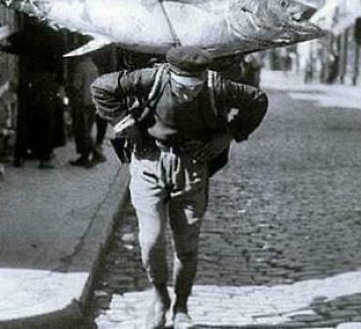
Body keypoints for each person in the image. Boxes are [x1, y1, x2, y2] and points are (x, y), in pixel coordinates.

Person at [91, 46, 268, 328]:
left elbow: (257, 100)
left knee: (186, 245)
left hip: (191, 167)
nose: (189, 93)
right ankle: (160, 296)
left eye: (195, 86)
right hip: (149, 162)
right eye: (183, 87)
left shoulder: (216, 86)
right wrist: (126, 125)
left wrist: (229, 134)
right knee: (151, 240)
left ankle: (181, 306)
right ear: (171, 73)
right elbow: (101, 87)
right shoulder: (151, 78)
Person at [0, 15, 67, 169]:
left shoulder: (24, 34)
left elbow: (10, 45)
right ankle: (44, 158)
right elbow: (59, 63)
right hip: (46, 82)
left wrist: (0, 47)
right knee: (45, 119)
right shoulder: (53, 36)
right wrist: (60, 84)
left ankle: (19, 157)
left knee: (24, 119)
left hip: (27, 81)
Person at [67, 55, 100, 168]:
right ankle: (85, 156)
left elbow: (76, 85)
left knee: (81, 131)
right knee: (87, 130)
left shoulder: (80, 67)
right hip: (92, 102)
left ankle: (95, 154)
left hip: (82, 103)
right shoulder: (94, 66)